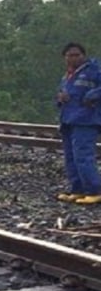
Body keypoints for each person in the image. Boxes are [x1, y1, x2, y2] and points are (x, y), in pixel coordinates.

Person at [56, 43, 101, 204]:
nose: (73, 58)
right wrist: (60, 99)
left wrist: (93, 95)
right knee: (71, 156)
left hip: (86, 120)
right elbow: (62, 95)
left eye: (76, 55)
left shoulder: (93, 70)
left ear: (83, 55)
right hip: (68, 119)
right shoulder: (67, 76)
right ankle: (77, 189)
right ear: (64, 58)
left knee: (83, 155)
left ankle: (94, 190)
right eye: (69, 55)